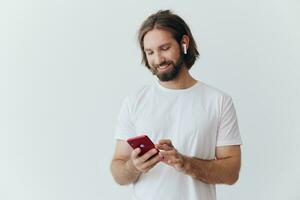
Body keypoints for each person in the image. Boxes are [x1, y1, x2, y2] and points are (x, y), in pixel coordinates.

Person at [110, 10, 242, 200]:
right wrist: (133, 166)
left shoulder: (218, 101)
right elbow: (118, 171)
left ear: (184, 43)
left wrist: (185, 163)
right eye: (150, 52)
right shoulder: (134, 102)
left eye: (164, 48)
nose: (158, 59)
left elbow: (231, 174)